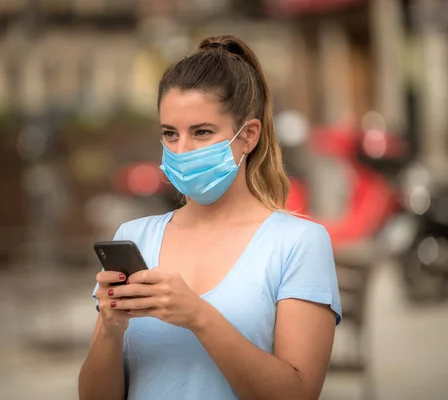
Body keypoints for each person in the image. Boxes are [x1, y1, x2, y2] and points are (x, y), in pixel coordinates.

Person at [79, 35, 342, 400]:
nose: (181, 150)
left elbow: (298, 393)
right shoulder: (136, 236)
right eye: (170, 133)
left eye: (201, 132)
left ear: (248, 136)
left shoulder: (298, 242)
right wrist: (110, 329)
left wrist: (198, 316)